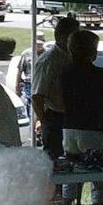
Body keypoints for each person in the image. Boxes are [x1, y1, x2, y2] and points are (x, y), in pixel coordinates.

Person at [60, 30, 103, 205]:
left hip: (70, 130)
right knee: (99, 183)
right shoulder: (101, 74)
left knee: (70, 180)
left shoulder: (64, 73)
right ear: (91, 51)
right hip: (95, 130)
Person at [32, 16, 80, 158]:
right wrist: (45, 123)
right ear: (62, 36)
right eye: (75, 35)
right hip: (56, 118)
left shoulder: (72, 57)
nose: (78, 39)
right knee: (56, 162)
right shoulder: (49, 61)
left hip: (73, 117)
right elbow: (37, 96)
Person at [15, 31, 46, 117]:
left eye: (41, 44)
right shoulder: (26, 54)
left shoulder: (47, 53)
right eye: (37, 44)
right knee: (30, 104)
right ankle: (31, 121)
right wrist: (17, 86)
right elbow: (20, 70)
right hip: (29, 83)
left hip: (42, 83)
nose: (39, 46)